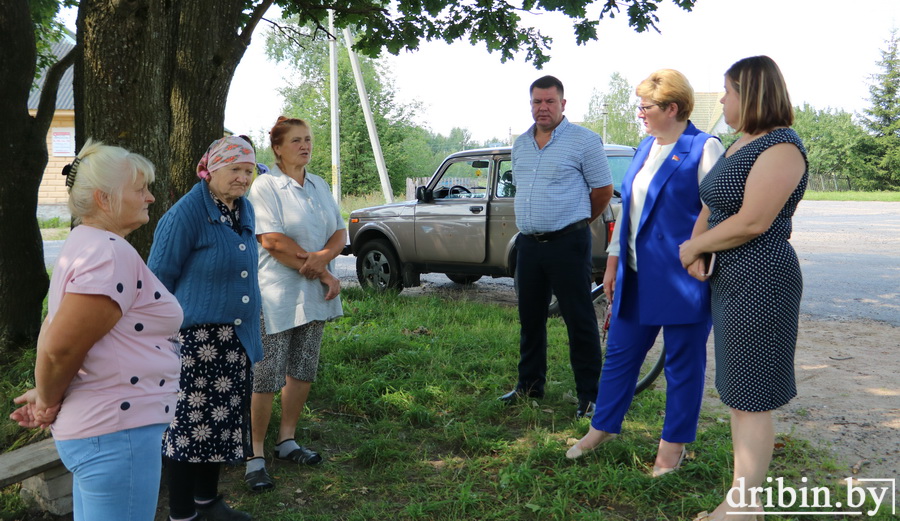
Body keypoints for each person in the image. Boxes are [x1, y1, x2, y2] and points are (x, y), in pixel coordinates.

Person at [10, 139, 183, 521]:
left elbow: (65, 336)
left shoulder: (84, 244)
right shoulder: (109, 252)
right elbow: (60, 349)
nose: (150, 197)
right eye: (140, 189)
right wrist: (47, 399)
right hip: (117, 433)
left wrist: (45, 393)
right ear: (105, 199)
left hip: (105, 430)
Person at [566, 70, 725, 474]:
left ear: (672, 108)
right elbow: (627, 211)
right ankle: (603, 427)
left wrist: (703, 250)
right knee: (620, 354)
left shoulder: (703, 148)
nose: (640, 113)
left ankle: (672, 447)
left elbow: (722, 209)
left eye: (646, 106)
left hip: (682, 277)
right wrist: (614, 262)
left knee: (682, 366)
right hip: (636, 274)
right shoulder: (644, 147)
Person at [678, 56, 808, 521]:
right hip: (732, 280)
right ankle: (743, 500)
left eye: (729, 91)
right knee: (737, 393)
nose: (724, 100)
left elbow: (753, 221)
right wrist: (698, 244)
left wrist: (691, 250)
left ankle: (741, 508)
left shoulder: (781, 148)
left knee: (751, 396)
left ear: (750, 94)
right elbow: (714, 203)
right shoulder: (740, 143)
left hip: (763, 280)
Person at [148, 136, 262, 521]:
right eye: (235, 170)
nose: (243, 178)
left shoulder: (241, 209)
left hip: (234, 342)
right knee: (188, 430)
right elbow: (157, 280)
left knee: (221, 425)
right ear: (211, 170)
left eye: (248, 171)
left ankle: (206, 501)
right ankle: (181, 514)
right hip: (195, 344)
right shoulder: (186, 213)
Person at [499, 75, 614, 418]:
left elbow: (603, 191)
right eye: (537, 102)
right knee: (530, 317)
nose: (543, 108)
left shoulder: (584, 141)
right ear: (530, 103)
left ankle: (590, 396)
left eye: (550, 101)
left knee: (579, 319)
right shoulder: (520, 144)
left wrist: (575, 222)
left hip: (568, 242)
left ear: (563, 104)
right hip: (529, 245)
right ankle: (530, 385)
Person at [244, 116, 345, 490]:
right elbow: (271, 241)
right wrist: (321, 268)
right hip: (277, 295)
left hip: (314, 296)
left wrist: (323, 258)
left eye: (308, 140)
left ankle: (287, 440)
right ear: (278, 148)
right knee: (267, 375)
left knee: (302, 369)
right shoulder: (265, 186)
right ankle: (254, 455)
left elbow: (339, 231)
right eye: (297, 141)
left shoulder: (318, 184)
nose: (305, 146)